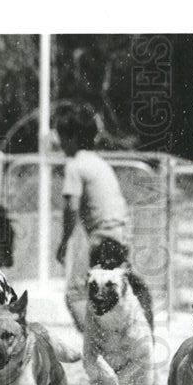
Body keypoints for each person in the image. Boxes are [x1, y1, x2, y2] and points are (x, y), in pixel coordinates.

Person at [53, 101, 130, 332]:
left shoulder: (75, 165)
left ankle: (95, 342)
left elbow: (71, 208)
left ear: (73, 138)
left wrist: (64, 242)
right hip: (122, 234)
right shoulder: (98, 162)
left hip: (102, 236)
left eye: (62, 137)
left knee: (75, 293)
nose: (60, 143)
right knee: (108, 292)